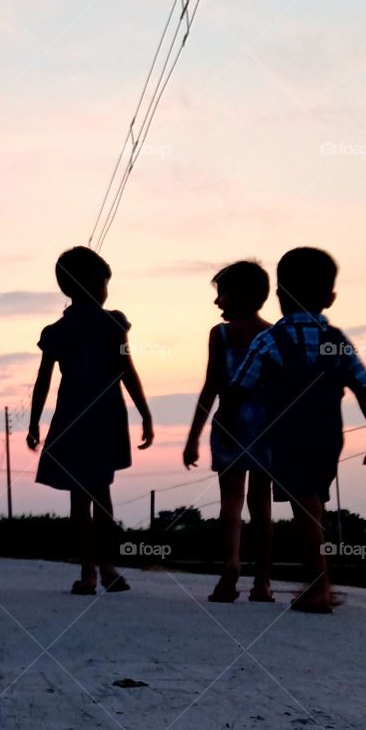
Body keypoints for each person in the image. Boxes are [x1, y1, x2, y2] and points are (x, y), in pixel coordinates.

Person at [225, 247, 366, 613]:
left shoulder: (268, 342)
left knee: (304, 506)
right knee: (315, 504)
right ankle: (321, 579)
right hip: (329, 435)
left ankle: (318, 588)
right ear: (330, 297)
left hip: (289, 436)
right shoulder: (335, 339)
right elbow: (363, 388)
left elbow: (239, 388)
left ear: (280, 296)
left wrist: (230, 421)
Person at [26, 246, 154, 595]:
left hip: (70, 417)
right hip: (106, 416)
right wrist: (144, 412)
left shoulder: (56, 331)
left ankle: (88, 573)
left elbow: (43, 381)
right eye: (104, 283)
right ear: (97, 284)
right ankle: (108, 566)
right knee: (101, 494)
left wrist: (34, 423)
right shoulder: (112, 323)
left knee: (79, 500)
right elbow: (127, 370)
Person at [183, 261, 274, 603]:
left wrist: (193, 437)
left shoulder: (220, 335)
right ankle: (263, 582)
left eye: (221, 294)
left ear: (238, 295)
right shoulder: (273, 334)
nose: (217, 302)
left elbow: (210, 387)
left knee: (230, 504)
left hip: (229, 423)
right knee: (261, 506)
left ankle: (230, 567)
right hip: (266, 426)